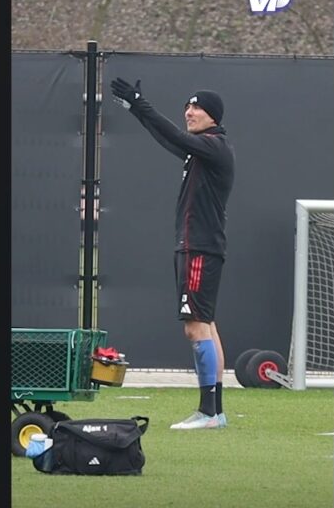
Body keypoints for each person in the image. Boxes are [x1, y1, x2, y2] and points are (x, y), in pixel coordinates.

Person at [110, 77, 235, 430]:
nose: (188, 112)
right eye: (187, 106)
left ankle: (208, 413)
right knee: (206, 324)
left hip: (200, 247)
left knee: (195, 327)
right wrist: (135, 108)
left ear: (213, 116)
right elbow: (168, 137)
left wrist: (140, 102)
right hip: (197, 246)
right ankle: (216, 412)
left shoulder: (214, 145)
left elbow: (177, 137)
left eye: (196, 107)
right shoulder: (202, 149)